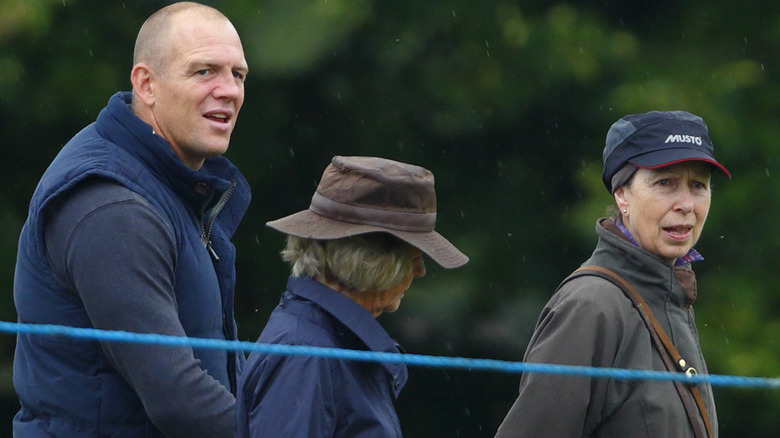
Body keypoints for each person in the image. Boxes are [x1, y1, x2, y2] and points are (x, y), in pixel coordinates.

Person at [12, 2, 250, 437]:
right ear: (146, 84)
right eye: (204, 71)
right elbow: (179, 400)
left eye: (238, 75)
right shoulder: (113, 209)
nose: (229, 90)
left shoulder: (173, 186)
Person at [495, 110, 729, 438]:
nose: (687, 204)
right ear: (621, 195)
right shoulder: (591, 304)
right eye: (665, 183)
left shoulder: (672, 292)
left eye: (698, 185)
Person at [236, 155, 469, 437]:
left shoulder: (329, 344)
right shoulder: (306, 355)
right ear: (371, 260)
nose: (420, 271)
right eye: (413, 256)